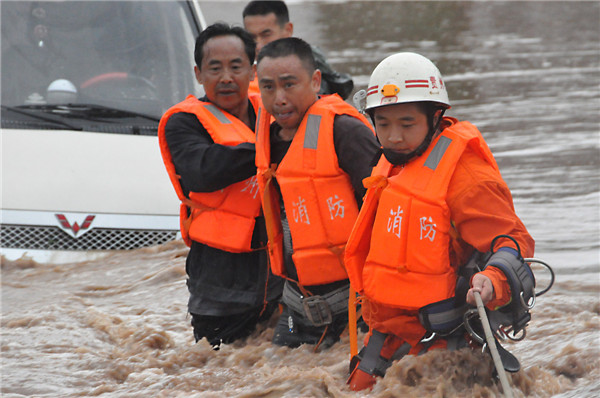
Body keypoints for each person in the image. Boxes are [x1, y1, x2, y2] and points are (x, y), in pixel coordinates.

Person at [344, 52, 536, 391]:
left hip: (447, 339)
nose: (394, 137)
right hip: (387, 335)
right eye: (383, 123)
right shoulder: (391, 166)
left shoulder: (467, 178)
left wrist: (492, 280)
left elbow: (511, 240)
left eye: (406, 124)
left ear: (436, 117)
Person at [158, 23, 283, 349]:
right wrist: (273, 142)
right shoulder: (183, 122)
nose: (226, 77)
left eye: (236, 67)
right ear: (199, 74)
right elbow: (203, 170)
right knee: (216, 366)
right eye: (215, 68)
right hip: (219, 282)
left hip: (279, 274)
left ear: (253, 71)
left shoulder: (274, 112)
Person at [254, 37, 380, 349]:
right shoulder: (265, 138)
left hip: (360, 303)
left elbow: (387, 211)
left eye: (289, 85)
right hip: (299, 304)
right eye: (268, 87)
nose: (279, 98)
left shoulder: (346, 132)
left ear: (315, 80)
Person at [243, 0, 354, 99]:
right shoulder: (239, 76)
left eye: (266, 35)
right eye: (251, 37)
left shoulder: (309, 69)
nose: (258, 45)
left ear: (288, 29)